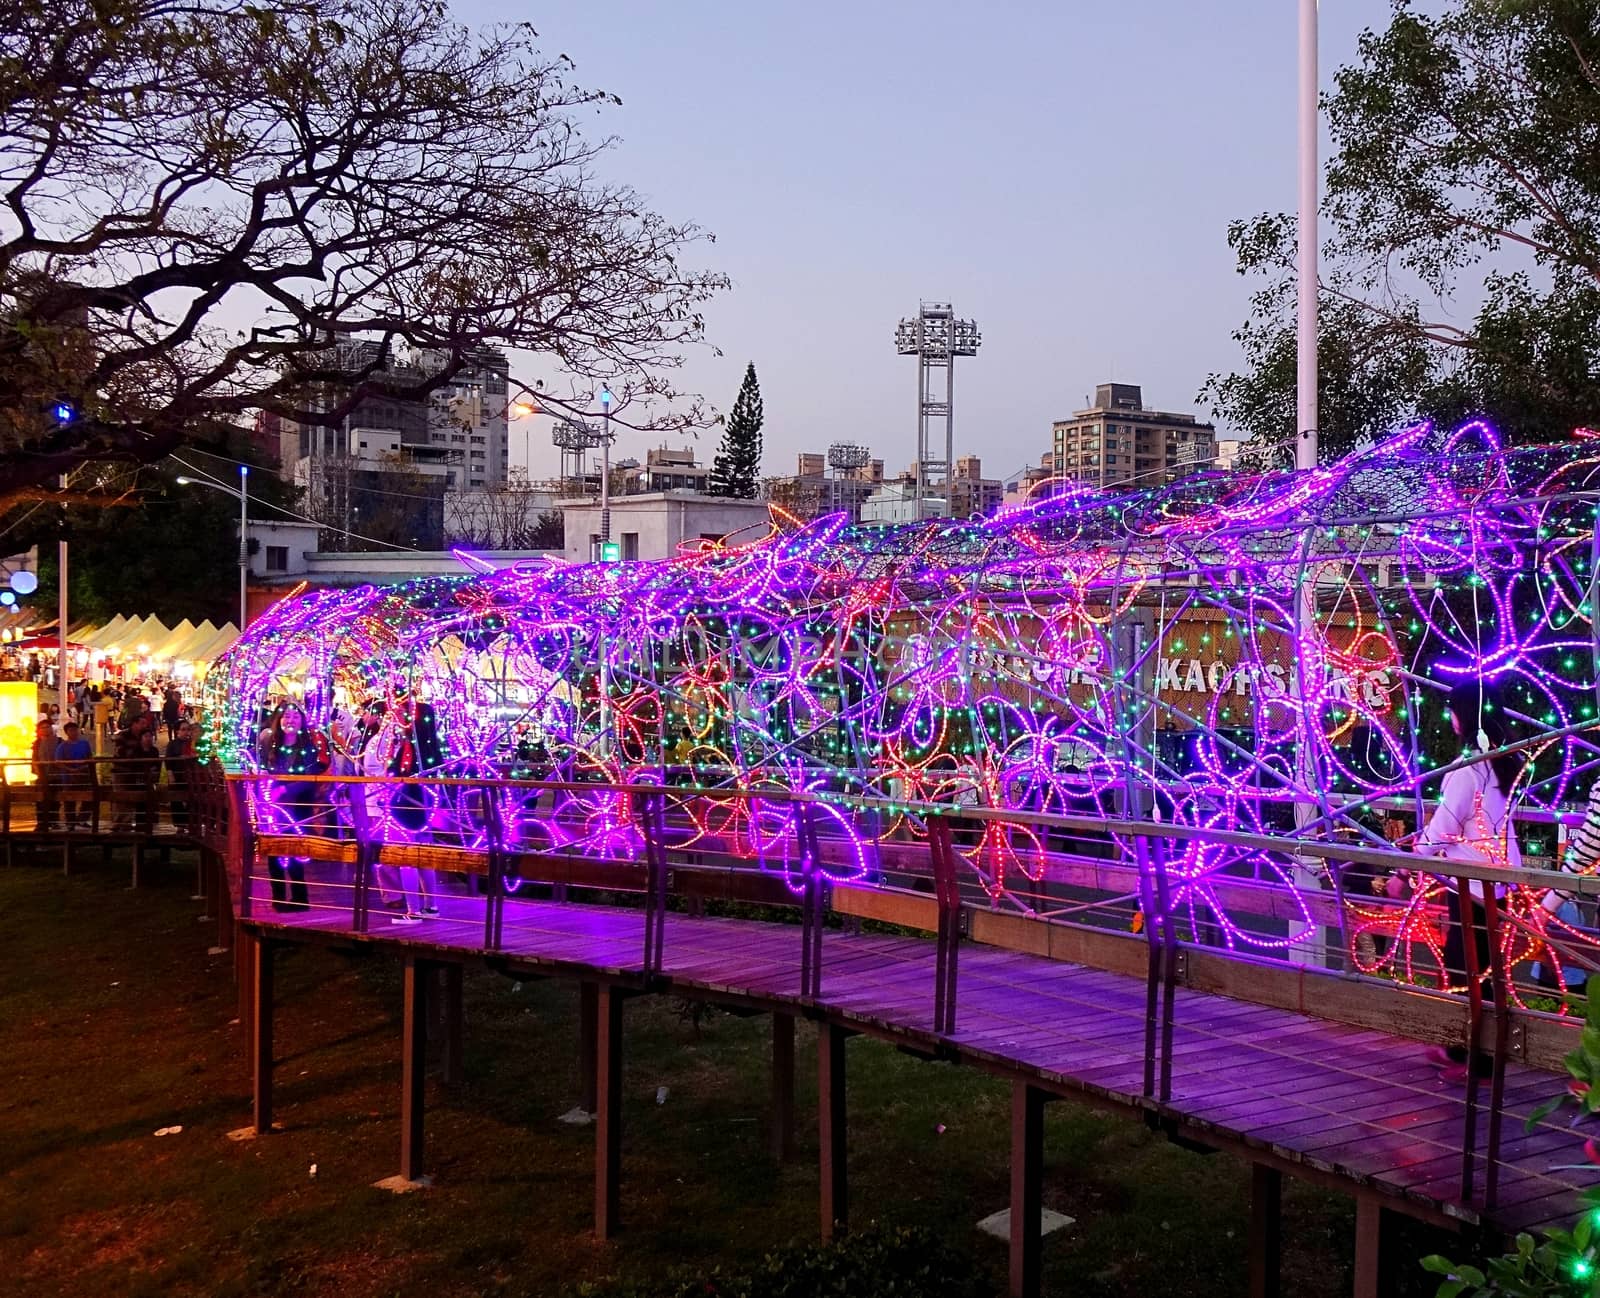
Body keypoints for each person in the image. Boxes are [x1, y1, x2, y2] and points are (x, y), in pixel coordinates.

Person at [1397, 683, 1524, 1079]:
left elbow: (1442, 830)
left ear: (1465, 715)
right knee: (1478, 969)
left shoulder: (1469, 770)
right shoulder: (1504, 761)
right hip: (1494, 882)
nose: (1449, 716)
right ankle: (1460, 1051)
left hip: (1470, 885)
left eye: (1453, 709)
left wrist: (1404, 869)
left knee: (1467, 971)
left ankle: (1479, 1063)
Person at [263, 704, 329, 912]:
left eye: (295, 717)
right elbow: (263, 770)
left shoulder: (307, 748)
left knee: (293, 852)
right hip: (273, 808)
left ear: (302, 722)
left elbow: (309, 779)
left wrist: (283, 791)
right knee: (273, 852)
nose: (290, 720)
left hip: (298, 809)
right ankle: (278, 898)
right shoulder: (271, 745)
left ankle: (300, 898)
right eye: (286, 716)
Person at [54, 720, 94, 830]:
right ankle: (70, 822)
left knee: (88, 798)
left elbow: (89, 757)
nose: (74, 732)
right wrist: (70, 770)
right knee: (70, 800)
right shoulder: (62, 746)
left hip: (84, 775)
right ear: (67, 732)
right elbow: (58, 762)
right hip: (69, 777)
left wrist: (85, 767)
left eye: (75, 730)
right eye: (71, 730)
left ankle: (82, 818)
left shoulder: (84, 744)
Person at [165, 720, 197, 830]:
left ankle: (190, 824)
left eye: (188, 729)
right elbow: (168, 761)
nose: (186, 732)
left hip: (190, 777)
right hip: (177, 775)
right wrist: (170, 774)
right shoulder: (173, 744)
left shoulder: (192, 743)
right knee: (177, 800)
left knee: (191, 800)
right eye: (183, 729)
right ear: (177, 731)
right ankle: (180, 826)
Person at [31, 717, 57, 832]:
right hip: (42, 776)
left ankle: (53, 821)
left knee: (55, 801)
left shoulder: (59, 741)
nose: (46, 729)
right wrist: (37, 772)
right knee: (40, 801)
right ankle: (41, 823)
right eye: (43, 728)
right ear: (39, 730)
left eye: (48, 727)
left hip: (55, 775)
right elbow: (34, 759)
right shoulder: (37, 743)